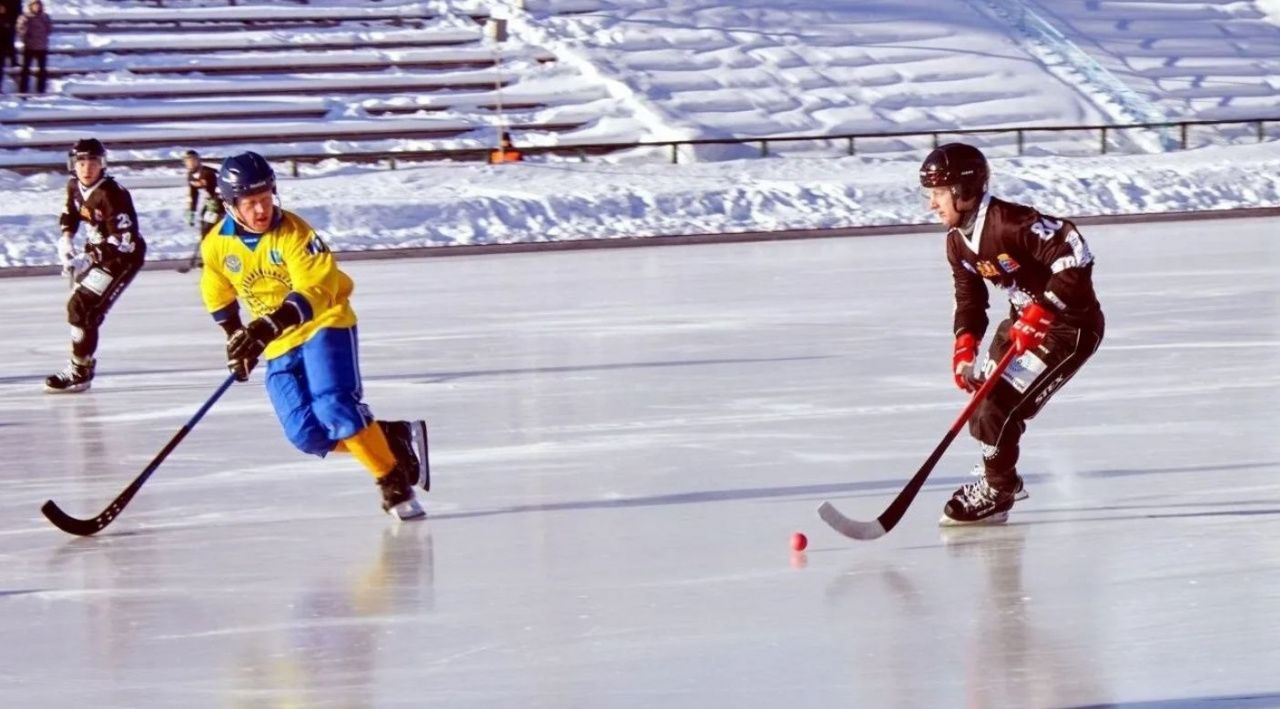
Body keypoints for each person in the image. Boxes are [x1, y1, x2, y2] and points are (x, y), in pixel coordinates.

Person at [199, 151, 430, 520]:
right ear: (230, 206)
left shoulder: (295, 234)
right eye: (251, 204)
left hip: (325, 324)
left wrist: (268, 325)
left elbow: (317, 289)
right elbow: (218, 293)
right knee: (306, 434)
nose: (261, 211)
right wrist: (236, 338)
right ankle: (389, 436)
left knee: (333, 405)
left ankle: (393, 482)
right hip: (279, 342)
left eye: (266, 199)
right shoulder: (216, 245)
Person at [920, 142, 1104, 526]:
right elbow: (969, 298)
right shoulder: (957, 242)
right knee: (981, 409)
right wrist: (964, 346)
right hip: (1021, 323)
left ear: (964, 192)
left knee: (995, 410)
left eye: (937, 194)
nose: (931, 205)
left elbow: (1074, 252)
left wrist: (1044, 311)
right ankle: (999, 477)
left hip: (1067, 329)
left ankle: (998, 490)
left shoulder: (1009, 222)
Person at [47, 138, 147, 393]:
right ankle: (82, 366)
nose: (86, 168)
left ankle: (79, 370)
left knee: (81, 307)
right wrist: (66, 238)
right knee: (81, 310)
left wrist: (89, 258)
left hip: (121, 259)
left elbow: (123, 239)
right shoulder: (74, 186)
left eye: (92, 161)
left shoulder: (113, 194)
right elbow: (70, 212)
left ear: (102, 164)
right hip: (97, 253)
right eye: (81, 161)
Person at [180, 149, 224, 270]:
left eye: (193, 160)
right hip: (210, 202)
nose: (191, 163)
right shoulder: (190, 176)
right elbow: (193, 194)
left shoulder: (208, 173)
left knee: (209, 229)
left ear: (198, 160)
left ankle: (214, 259)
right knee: (204, 230)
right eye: (188, 161)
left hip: (221, 201)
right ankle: (209, 259)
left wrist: (217, 203)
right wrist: (191, 211)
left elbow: (221, 188)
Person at [14, 0, 49, 95]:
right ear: (31, 6)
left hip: (42, 46)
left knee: (42, 70)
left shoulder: (45, 17)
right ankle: (23, 90)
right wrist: (27, 38)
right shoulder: (25, 17)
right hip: (29, 46)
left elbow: (48, 28)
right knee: (26, 69)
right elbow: (20, 29)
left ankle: (41, 90)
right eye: (35, 5)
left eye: (39, 5)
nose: (37, 7)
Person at [0, 0, 21, 92]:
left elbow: (17, 10)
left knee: (10, 42)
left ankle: (13, 60)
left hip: (9, 23)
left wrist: (12, 20)